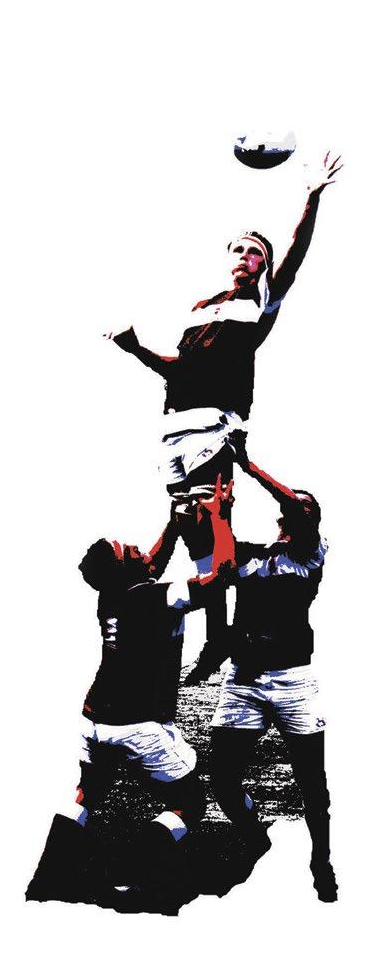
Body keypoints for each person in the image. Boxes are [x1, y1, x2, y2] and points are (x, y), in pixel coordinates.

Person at [106, 153, 342, 673]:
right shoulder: (201, 308)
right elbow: (179, 370)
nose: (245, 256)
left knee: (215, 525)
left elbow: (294, 258)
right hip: (173, 428)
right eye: (239, 249)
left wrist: (312, 197)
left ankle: (218, 638)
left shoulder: (259, 302)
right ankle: (207, 631)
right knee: (192, 532)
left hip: (214, 425)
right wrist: (136, 349)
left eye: (256, 252)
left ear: (263, 264)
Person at [26, 480, 234, 912]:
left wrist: (173, 525)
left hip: (93, 719)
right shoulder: (157, 597)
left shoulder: (110, 595)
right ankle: (141, 878)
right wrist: (218, 517)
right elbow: (220, 578)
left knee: (86, 794)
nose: (139, 548)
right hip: (137, 724)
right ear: (125, 568)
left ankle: (47, 880)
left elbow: (150, 565)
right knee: (190, 803)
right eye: (130, 550)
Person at [209, 439, 338, 902]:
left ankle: (321, 859)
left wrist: (248, 465)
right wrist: (220, 512)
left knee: (312, 782)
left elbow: (297, 506)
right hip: (243, 680)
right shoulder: (252, 555)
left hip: (292, 682)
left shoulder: (310, 554)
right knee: (222, 779)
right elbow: (219, 559)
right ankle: (253, 834)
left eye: (301, 506)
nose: (292, 508)